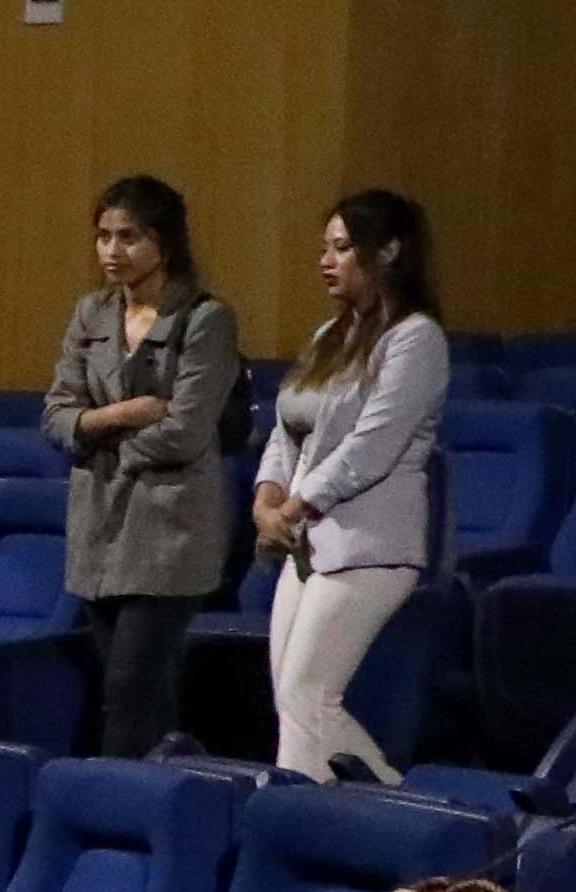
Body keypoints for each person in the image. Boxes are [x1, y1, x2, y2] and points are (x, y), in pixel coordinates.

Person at [257, 189, 451, 785]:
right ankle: (303, 821)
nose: (327, 261)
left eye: (342, 248)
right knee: (291, 708)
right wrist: (266, 496)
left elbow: (373, 445)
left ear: (388, 251)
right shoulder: (329, 335)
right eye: (325, 248)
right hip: (306, 544)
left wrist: (297, 503)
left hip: (371, 546)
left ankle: (398, 802)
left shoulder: (416, 339)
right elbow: (287, 425)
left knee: (308, 696)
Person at [47, 175, 241, 754]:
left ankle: (121, 809)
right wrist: (126, 413)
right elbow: (57, 416)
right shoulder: (90, 315)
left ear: (165, 241)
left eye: (128, 237)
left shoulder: (205, 318)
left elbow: (184, 432)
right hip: (98, 528)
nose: (112, 250)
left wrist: (97, 434)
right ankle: (171, 801)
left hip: (169, 531)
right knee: (145, 696)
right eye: (103, 236)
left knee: (128, 688)